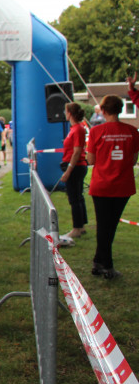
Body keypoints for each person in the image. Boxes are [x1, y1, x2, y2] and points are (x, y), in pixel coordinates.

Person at [86, 95, 139, 279]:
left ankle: (102, 264)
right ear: (120, 109)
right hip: (122, 186)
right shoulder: (132, 131)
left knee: (103, 225)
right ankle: (102, 263)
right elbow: (133, 160)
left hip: (102, 185)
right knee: (110, 226)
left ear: (103, 110)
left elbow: (91, 160)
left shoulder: (96, 131)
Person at [58, 102, 88, 246]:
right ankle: (81, 226)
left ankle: (77, 228)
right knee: (78, 196)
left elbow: (77, 152)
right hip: (76, 166)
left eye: (66, 111)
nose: (65, 114)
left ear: (70, 113)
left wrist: (68, 171)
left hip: (76, 167)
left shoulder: (78, 129)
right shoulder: (75, 129)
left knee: (74, 198)